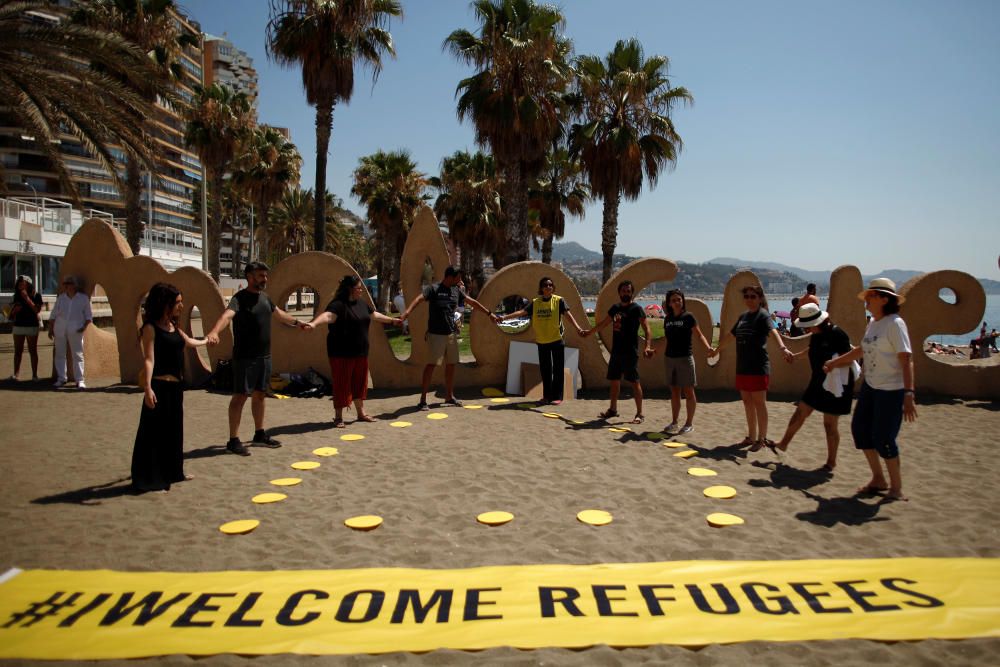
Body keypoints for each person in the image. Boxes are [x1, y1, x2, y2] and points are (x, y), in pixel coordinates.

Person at [825, 278, 916, 501]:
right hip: (870, 387)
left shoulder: (895, 323)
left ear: (885, 299)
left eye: (871, 296)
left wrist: (908, 394)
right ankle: (878, 479)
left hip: (891, 390)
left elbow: (907, 360)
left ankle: (896, 487)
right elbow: (861, 350)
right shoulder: (874, 323)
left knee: (884, 437)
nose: (866, 299)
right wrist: (835, 362)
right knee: (861, 431)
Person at [206, 261, 308, 456]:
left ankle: (259, 434)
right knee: (240, 397)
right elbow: (227, 316)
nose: (265, 279)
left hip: (264, 357)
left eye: (265, 276)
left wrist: (298, 322)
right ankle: (233, 440)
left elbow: (280, 315)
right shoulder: (239, 299)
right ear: (250, 277)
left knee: (260, 394)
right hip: (245, 358)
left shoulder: (265, 298)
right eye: (261, 276)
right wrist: (214, 332)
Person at [131, 283, 209, 492]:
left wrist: (207, 340)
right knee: (153, 434)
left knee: (174, 432)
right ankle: (150, 478)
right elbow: (149, 360)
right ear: (164, 303)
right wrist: (147, 389)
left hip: (176, 389)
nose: (181, 306)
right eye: (177, 302)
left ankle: (175, 472)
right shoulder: (151, 328)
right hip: (159, 387)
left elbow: (189, 342)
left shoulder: (174, 327)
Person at [304, 275, 402, 427]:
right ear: (350, 289)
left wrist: (392, 320)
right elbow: (328, 316)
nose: (361, 290)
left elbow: (374, 315)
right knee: (342, 384)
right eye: (358, 288)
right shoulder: (338, 305)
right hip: (341, 353)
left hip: (361, 352)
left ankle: (361, 413)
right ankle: (338, 417)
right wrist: (314, 324)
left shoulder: (361, 303)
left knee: (359, 383)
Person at [768, 303, 856, 471]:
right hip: (817, 381)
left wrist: (833, 365)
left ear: (818, 322)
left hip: (836, 384)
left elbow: (850, 359)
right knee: (800, 411)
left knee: (829, 424)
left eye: (808, 326)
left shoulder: (837, 334)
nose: (806, 329)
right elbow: (811, 350)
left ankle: (831, 462)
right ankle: (783, 444)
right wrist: (795, 357)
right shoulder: (816, 335)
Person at [400, 266, 499, 410]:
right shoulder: (433, 289)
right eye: (457, 277)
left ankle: (449, 396)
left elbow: (472, 302)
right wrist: (407, 313)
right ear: (449, 277)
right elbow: (419, 299)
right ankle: (422, 400)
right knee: (431, 365)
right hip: (436, 334)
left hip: (451, 334)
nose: (460, 280)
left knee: (452, 365)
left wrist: (489, 314)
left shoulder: (456, 290)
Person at [709, 285, 793, 450]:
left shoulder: (763, 316)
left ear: (760, 298)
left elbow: (774, 332)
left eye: (752, 296)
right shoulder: (743, 317)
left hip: (758, 367)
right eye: (746, 296)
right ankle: (751, 437)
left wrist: (783, 348)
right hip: (743, 366)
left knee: (759, 403)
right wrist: (716, 351)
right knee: (747, 402)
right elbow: (730, 336)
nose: (749, 299)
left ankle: (761, 438)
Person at [497, 276, 586, 405]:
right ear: (541, 288)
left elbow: (568, 315)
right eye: (545, 285)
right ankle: (546, 396)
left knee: (558, 369)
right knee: (545, 370)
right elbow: (522, 312)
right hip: (542, 341)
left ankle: (557, 396)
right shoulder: (535, 302)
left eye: (550, 285)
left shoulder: (559, 301)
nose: (548, 287)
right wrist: (505, 317)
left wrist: (578, 328)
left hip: (557, 340)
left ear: (553, 287)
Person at [583, 280, 654, 424]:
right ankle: (613, 409)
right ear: (619, 293)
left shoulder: (636, 309)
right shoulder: (615, 308)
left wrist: (647, 346)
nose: (626, 293)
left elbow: (647, 329)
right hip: (616, 352)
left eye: (628, 291)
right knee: (614, 381)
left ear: (632, 293)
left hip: (630, 352)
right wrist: (589, 332)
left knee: (634, 382)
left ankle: (640, 414)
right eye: (623, 291)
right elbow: (603, 324)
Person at [660, 289, 713, 434]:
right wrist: (654, 350)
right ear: (669, 303)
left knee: (689, 391)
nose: (676, 302)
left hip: (685, 358)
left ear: (682, 301)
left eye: (679, 299)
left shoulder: (688, 317)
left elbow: (699, 334)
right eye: (673, 300)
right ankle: (674, 422)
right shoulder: (668, 319)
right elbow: (666, 339)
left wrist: (709, 348)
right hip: (670, 359)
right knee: (674, 392)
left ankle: (689, 423)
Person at [48, 275, 92, 389]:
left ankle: (80, 380)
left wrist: (83, 328)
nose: (67, 286)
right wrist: (50, 329)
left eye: (69, 284)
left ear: (75, 286)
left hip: (76, 329)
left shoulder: (83, 298)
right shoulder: (61, 298)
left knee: (77, 355)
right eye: (66, 284)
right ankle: (61, 378)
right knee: (60, 354)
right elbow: (53, 314)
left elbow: (88, 316)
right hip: (60, 328)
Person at [9, 275, 43, 381]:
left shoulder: (36, 295)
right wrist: (14, 311)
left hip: (31, 325)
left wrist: (27, 299)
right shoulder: (16, 295)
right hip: (18, 325)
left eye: (22, 282)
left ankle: (34, 375)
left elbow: (37, 310)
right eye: (18, 282)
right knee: (17, 351)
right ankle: (16, 374)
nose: (19, 284)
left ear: (28, 283)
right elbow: (11, 315)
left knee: (32, 351)